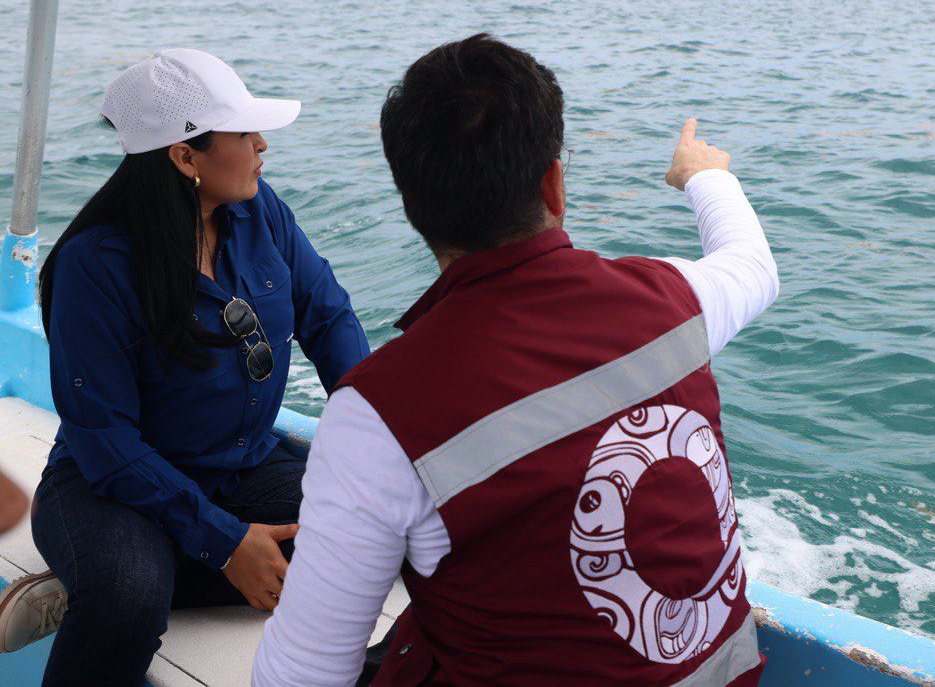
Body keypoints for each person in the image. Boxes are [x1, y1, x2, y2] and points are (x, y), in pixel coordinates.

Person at [252, 34, 780, 686]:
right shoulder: (673, 296)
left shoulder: (380, 412)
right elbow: (753, 266)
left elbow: (302, 674)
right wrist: (704, 173)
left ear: (415, 205)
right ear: (553, 184)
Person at [0, 49, 370, 683]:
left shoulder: (260, 209)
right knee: (128, 599)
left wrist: (381, 428)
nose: (261, 145)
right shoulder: (95, 264)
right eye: (243, 133)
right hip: (114, 487)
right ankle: (109, 580)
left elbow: (328, 318)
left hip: (243, 466)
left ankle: (79, 587)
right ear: (184, 156)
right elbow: (106, 443)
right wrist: (224, 541)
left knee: (370, 531)